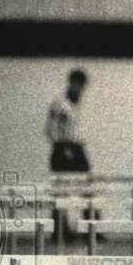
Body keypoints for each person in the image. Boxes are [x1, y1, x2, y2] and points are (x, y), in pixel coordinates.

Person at [45, 69, 91, 241]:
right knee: (61, 191)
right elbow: (50, 128)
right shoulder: (60, 103)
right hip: (63, 149)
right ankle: (59, 231)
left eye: (82, 86)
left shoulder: (78, 104)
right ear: (71, 83)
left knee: (87, 188)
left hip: (78, 148)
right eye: (77, 84)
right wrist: (63, 147)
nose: (80, 89)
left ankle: (91, 229)